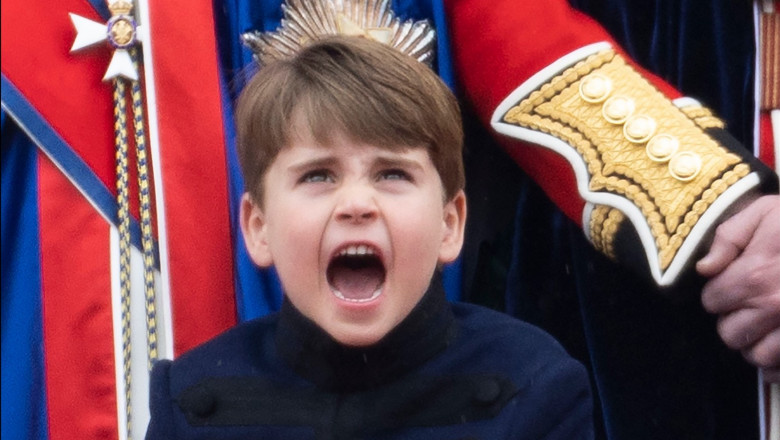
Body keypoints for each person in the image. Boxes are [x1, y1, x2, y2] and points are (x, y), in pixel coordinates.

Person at [144, 36, 594, 439]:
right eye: (318, 175)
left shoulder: (534, 386)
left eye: (392, 173)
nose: (356, 203)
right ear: (258, 228)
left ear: (450, 224)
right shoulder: (190, 404)